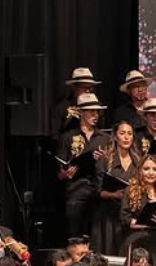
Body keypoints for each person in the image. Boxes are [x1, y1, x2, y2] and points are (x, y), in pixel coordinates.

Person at [57, 92, 110, 239]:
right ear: (81, 113)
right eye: (91, 111)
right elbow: (60, 170)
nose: (95, 115)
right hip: (76, 189)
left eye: (97, 111)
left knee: (97, 233)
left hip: (99, 188)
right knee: (75, 232)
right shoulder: (68, 137)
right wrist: (65, 173)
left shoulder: (105, 138)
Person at [96, 119, 140, 255]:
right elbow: (97, 191)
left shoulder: (138, 160)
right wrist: (114, 194)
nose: (126, 137)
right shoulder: (105, 159)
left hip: (130, 214)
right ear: (115, 136)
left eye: (130, 134)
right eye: (122, 133)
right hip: (110, 215)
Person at [52, 67, 101, 136]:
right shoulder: (62, 107)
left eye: (90, 88)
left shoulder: (97, 106)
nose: (88, 91)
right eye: (84, 87)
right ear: (74, 87)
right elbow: (55, 135)